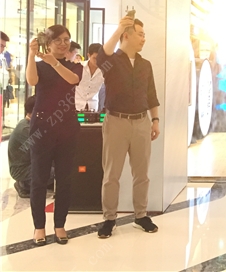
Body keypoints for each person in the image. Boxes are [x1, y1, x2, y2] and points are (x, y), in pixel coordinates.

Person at [96, 15, 160, 238]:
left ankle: (141, 216)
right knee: (111, 174)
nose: (144, 39)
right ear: (127, 35)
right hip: (116, 122)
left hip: (142, 122)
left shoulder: (145, 65)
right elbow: (102, 56)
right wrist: (117, 29)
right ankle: (109, 219)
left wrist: (155, 120)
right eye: (140, 34)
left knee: (142, 174)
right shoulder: (112, 62)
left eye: (144, 35)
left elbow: (151, 94)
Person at [26, 25, 83, 246]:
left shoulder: (75, 66)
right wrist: (32, 54)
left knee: (65, 179)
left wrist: (55, 63)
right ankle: (39, 226)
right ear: (48, 43)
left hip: (67, 127)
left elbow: (73, 80)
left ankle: (60, 224)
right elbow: (32, 81)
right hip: (42, 127)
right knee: (39, 179)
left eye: (66, 39)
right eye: (57, 40)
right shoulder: (40, 65)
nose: (63, 43)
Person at [8, 96, 36, 198]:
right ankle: (24, 185)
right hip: (21, 170)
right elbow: (42, 149)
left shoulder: (29, 124)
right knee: (54, 172)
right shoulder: (25, 129)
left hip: (27, 164)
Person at [75, 44, 105, 111]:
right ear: (88, 55)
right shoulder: (79, 66)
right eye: (94, 58)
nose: (97, 61)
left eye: (100, 58)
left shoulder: (104, 70)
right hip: (77, 104)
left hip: (93, 106)